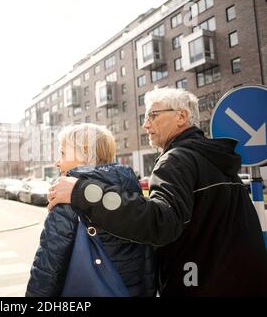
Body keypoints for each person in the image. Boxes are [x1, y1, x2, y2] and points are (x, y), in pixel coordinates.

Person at [47, 87, 267, 296]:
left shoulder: (177, 159)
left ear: (181, 116)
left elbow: (160, 221)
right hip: (244, 281)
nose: (145, 125)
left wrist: (81, 192)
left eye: (152, 115)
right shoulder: (215, 160)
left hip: (199, 285)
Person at [26, 123, 155, 297]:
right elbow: (146, 257)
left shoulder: (69, 196)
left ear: (85, 153)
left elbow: (48, 269)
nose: (57, 162)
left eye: (63, 153)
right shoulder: (130, 190)